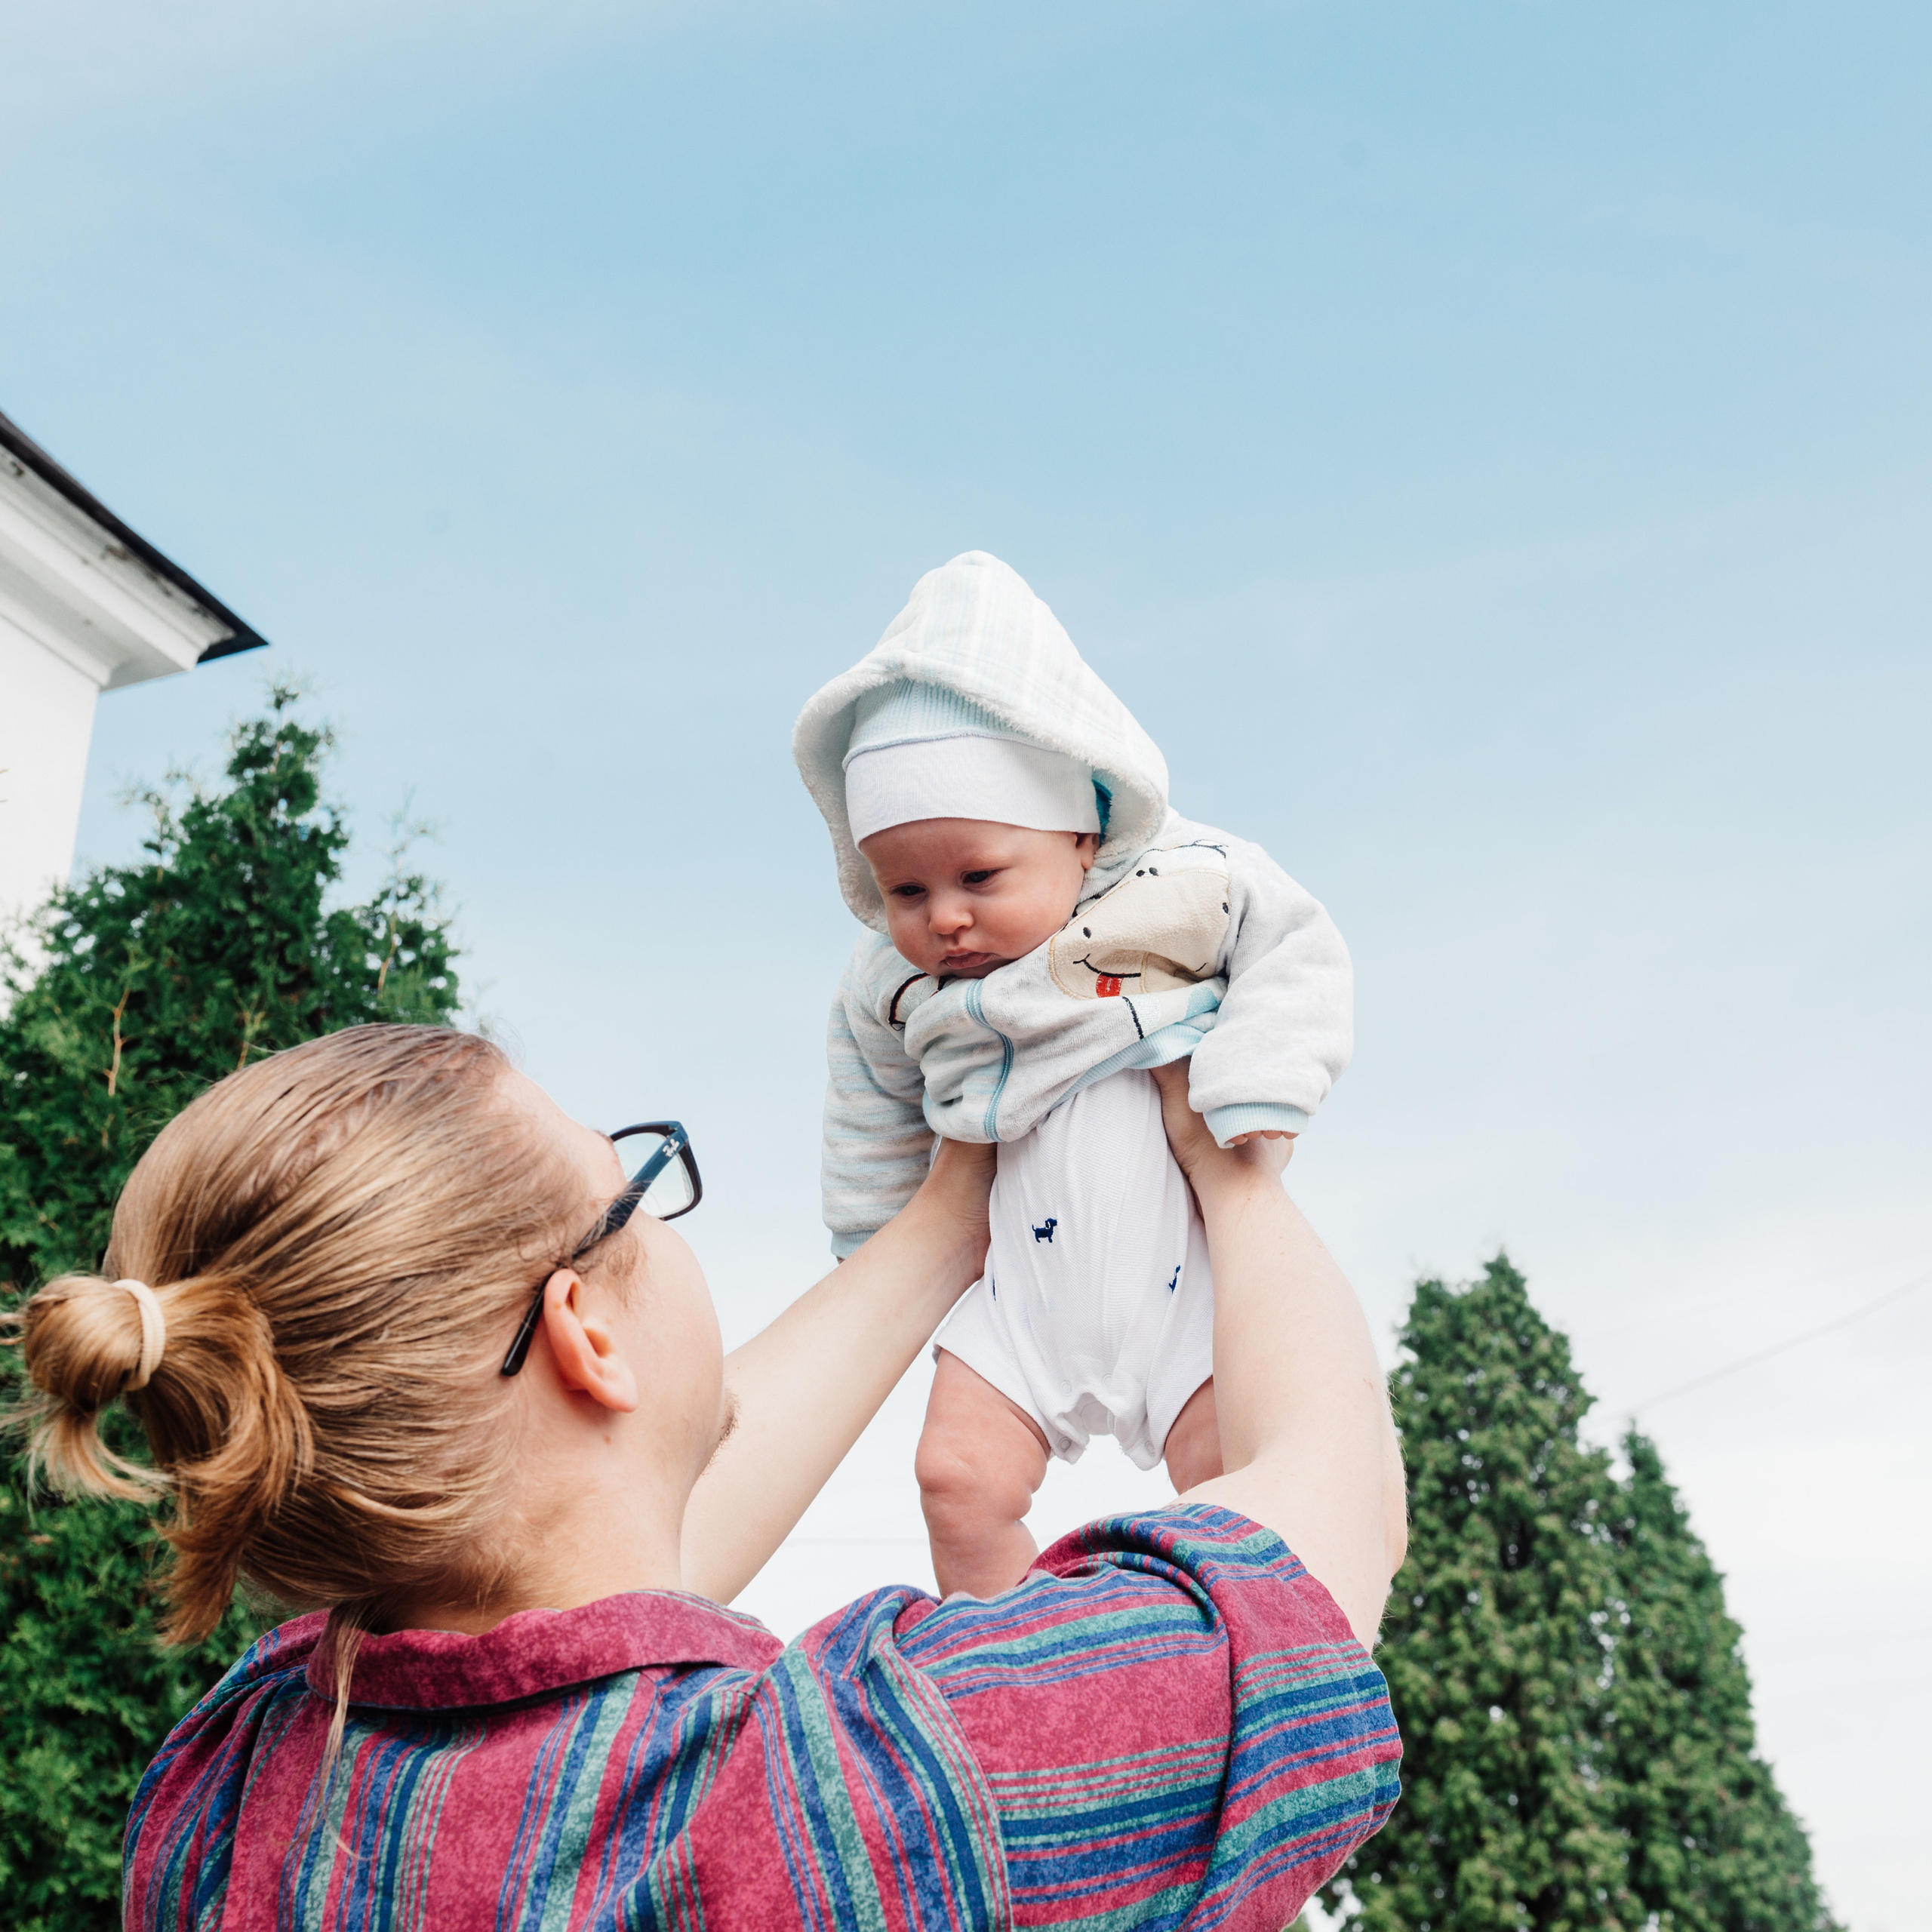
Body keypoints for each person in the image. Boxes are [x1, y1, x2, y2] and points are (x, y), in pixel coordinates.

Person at [16, 1021, 1403, 1930]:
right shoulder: (858, 1789)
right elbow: (1321, 1537)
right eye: (633, 1178)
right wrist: (1232, 1166)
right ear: (583, 1331)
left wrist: (945, 1222)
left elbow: (589, 1572)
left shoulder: (228, 1787)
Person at [792, 549, 1353, 1594]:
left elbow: (1298, 946)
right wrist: (877, 1251)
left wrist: (1260, 1081)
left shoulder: (1180, 887)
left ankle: (1216, 1681)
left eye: (978, 877)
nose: (944, 918)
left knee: (1233, 1498)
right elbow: (866, 1100)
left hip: (1181, 1281)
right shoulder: (890, 982)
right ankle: (1013, 1676)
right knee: (953, 1478)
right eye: (903, 889)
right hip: (1020, 1297)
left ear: (1079, 828)